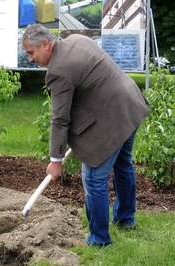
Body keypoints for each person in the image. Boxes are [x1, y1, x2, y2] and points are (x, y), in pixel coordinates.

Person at [22, 24, 149, 246]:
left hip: (114, 117)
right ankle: (125, 219)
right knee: (123, 164)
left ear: (45, 44)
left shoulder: (58, 71)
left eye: (31, 53)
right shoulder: (77, 40)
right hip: (130, 103)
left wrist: (56, 160)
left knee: (93, 177)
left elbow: (60, 119)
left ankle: (99, 240)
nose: (31, 59)